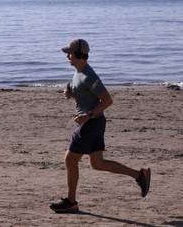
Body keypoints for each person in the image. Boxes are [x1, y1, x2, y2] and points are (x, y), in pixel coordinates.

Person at [49, 39, 151, 213]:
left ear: (80, 55)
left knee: (70, 159)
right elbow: (85, 96)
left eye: (70, 53)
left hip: (90, 123)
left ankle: (71, 202)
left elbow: (107, 100)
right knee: (98, 163)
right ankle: (139, 175)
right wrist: (71, 94)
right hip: (92, 122)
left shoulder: (90, 76)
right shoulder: (78, 72)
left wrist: (86, 116)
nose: (67, 56)